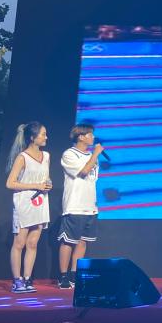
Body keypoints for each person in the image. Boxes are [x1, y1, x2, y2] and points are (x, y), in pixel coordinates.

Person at [4, 122, 52, 293]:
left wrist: (46, 185)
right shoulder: (22, 157)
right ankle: (17, 281)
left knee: (32, 243)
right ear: (32, 137)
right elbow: (10, 183)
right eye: (43, 134)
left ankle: (27, 278)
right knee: (19, 243)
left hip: (40, 203)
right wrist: (35, 185)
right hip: (24, 203)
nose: (46, 137)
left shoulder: (46, 156)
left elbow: (45, 177)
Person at [57, 124, 103, 289]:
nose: (93, 137)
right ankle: (63, 276)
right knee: (68, 241)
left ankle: (74, 274)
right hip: (74, 205)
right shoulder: (69, 154)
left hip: (90, 206)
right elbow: (83, 172)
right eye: (90, 134)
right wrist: (96, 154)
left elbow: (92, 178)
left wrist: (94, 156)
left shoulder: (91, 156)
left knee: (83, 242)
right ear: (81, 137)